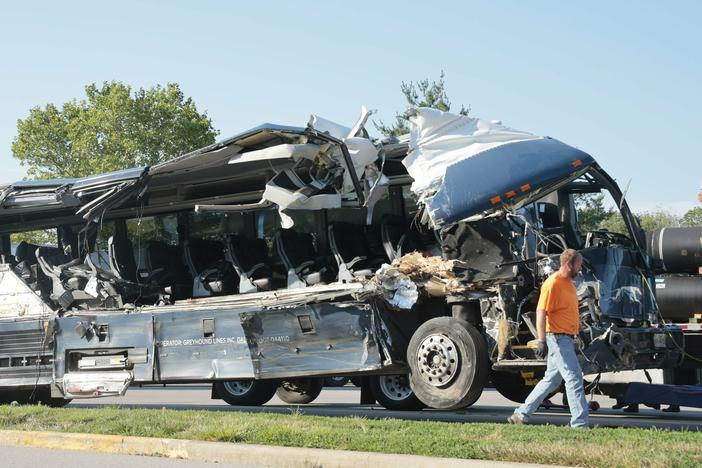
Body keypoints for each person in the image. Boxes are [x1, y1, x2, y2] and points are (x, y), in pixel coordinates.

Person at [508, 248, 589, 428]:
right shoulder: (552, 284)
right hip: (558, 338)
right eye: (579, 265)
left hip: (567, 336)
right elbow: (541, 312)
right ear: (569, 264)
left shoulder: (569, 284)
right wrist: (542, 340)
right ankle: (580, 424)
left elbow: (571, 312)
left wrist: (580, 330)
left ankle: (520, 415)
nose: (580, 268)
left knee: (551, 380)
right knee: (573, 377)